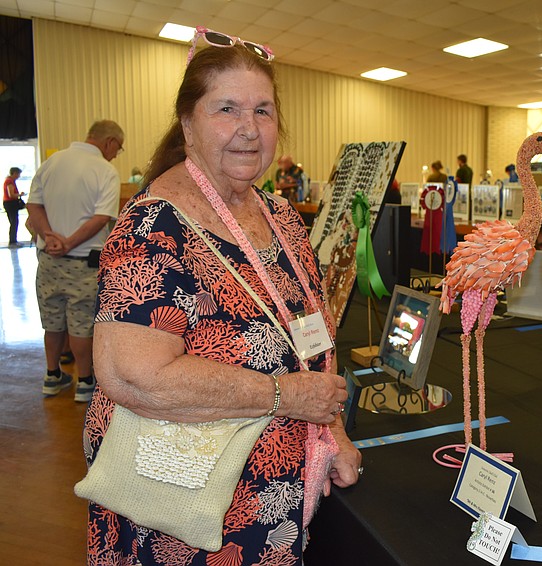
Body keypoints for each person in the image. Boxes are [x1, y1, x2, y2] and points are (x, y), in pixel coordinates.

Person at [83, 31, 360, 563]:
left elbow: (310, 342)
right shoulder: (154, 226)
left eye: (263, 110)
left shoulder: (281, 218)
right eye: (226, 108)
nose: (248, 130)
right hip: (183, 512)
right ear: (187, 123)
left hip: (277, 504)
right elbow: (134, 375)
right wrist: (285, 396)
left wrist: (334, 432)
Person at [26, 120, 123, 404]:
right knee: (81, 323)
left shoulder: (52, 161)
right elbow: (102, 217)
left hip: (49, 260)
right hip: (84, 262)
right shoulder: (105, 171)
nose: (117, 154)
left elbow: (33, 204)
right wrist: (69, 242)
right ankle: (84, 381)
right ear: (109, 142)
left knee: (53, 321)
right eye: (118, 147)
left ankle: (52, 375)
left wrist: (49, 236)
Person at [3, 166, 23, 246]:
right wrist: (20, 194)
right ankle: (13, 241)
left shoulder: (10, 181)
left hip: (9, 203)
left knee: (14, 222)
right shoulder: (9, 181)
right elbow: (11, 195)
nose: (19, 176)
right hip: (10, 204)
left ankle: (13, 240)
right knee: (14, 222)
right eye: (18, 174)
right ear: (14, 173)